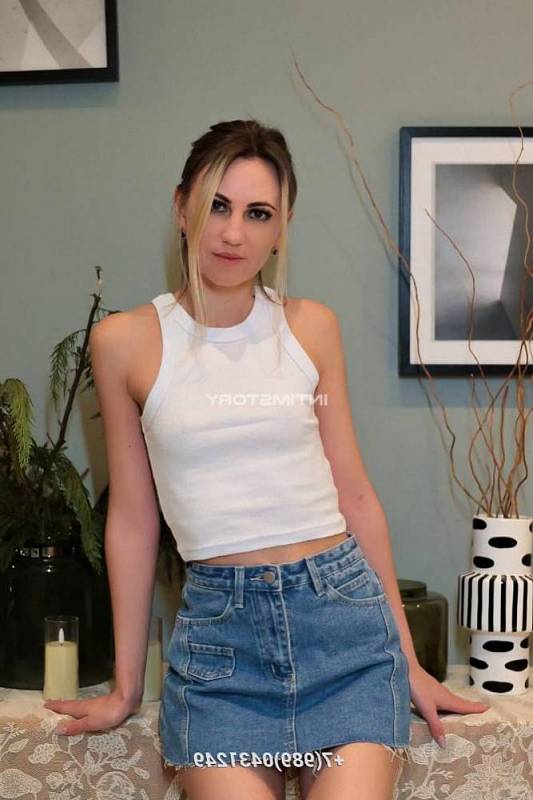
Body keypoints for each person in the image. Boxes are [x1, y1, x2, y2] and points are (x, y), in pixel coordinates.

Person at [43, 119, 489, 800]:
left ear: (282, 229)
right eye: (217, 205)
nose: (233, 233)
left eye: (258, 214)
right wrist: (126, 686)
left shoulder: (311, 327)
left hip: (343, 632)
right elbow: (132, 519)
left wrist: (407, 660)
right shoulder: (124, 342)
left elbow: (355, 497)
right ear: (181, 207)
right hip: (222, 654)